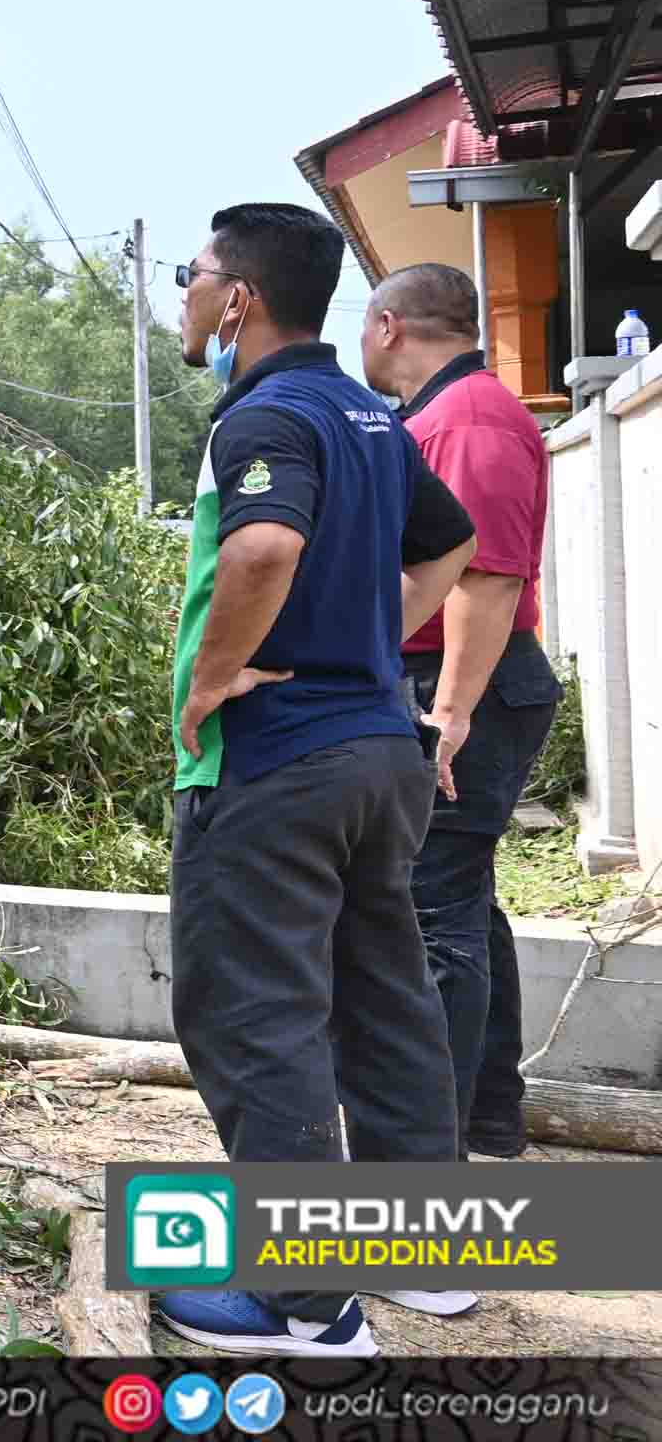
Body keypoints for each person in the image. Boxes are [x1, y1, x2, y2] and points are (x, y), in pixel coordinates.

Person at [152, 202, 477, 1360]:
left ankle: (305, 1300)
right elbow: (452, 540)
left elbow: (261, 546)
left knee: (254, 1008)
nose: (182, 295)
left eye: (192, 276)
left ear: (239, 299)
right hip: (378, 750)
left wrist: (213, 675)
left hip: (278, 759)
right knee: (382, 986)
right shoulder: (371, 415)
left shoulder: (268, 413)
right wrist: (369, 638)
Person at [359, 263, 559, 1179]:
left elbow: (488, 574)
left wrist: (447, 714)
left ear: (390, 325)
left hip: (461, 684)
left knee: (433, 912)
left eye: (363, 329)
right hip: (455, 680)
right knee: (463, 903)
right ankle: (484, 1119)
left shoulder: (470, 417)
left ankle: (421, 1158)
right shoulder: (444, 413)